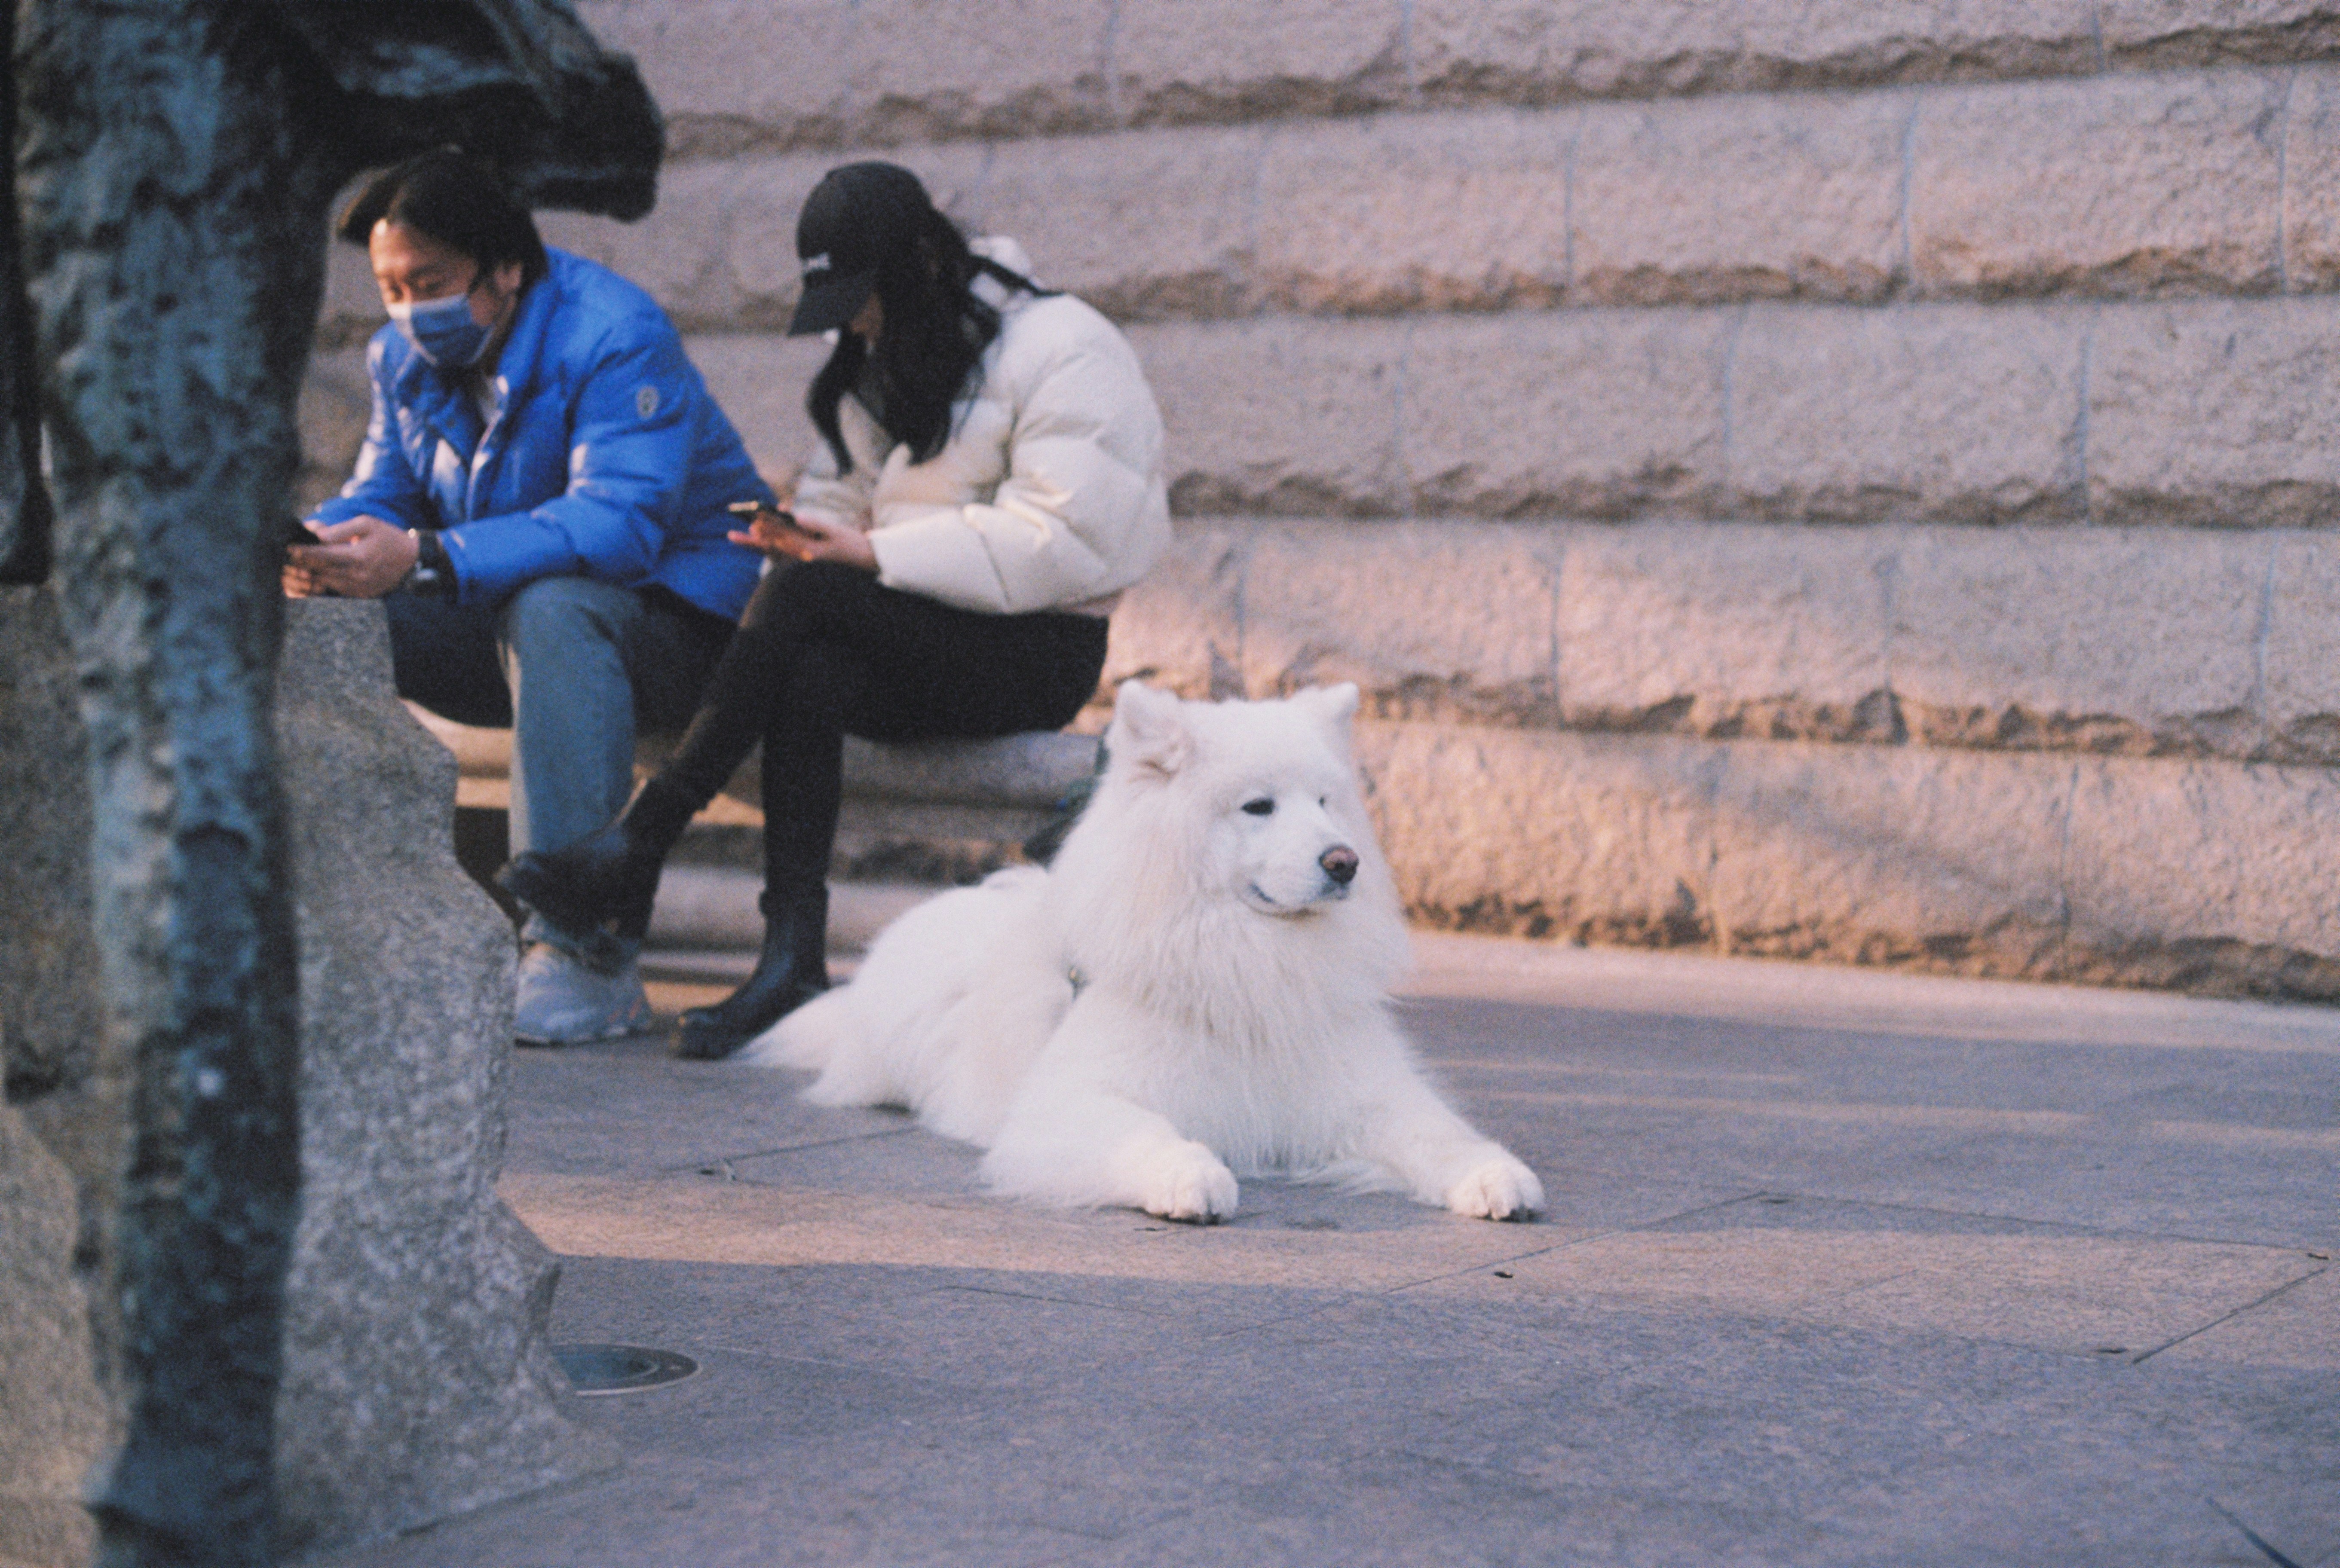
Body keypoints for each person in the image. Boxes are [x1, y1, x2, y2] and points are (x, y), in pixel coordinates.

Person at [500, 160, 1171, 1060]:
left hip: (1036, 650)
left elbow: (1065, 543)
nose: (854, 320)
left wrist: (868, 553)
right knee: (808, 657)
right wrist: (807, 532)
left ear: (921, 267)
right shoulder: (881, 353)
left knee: (815, 599)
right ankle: (790, 958)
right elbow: (845, 501)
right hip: (908, 630)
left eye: (864, 297)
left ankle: (644, 839)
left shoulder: (1067, 346)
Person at [284, 149, 772, 1045]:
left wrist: (428, 554)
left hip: (672, 633)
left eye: (427, 282)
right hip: (512, 617)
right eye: (390, 289)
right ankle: (301, 913)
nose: (405, 311)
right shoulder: (400, 357)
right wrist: (317, 543)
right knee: (308, 606)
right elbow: (383, 491)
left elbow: (618, 527)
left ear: (506, 267)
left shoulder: (614, 333)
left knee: (556, 606)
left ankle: (584, 955)